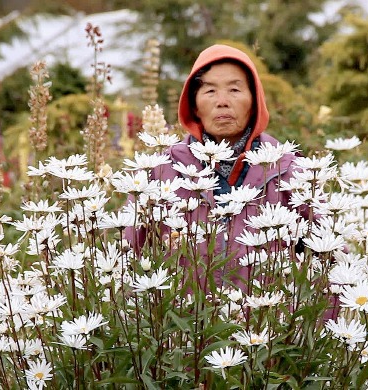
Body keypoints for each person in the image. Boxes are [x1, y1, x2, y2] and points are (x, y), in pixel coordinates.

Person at [126, 44, 338, 320]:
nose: (222, 101)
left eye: (235, 90)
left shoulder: (289, 170)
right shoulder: (159, 170)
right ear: (194, 105)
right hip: (183, 339)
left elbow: (329, 259)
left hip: (269, 336)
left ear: (255, 102)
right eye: (210, 90)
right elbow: (130, 253)